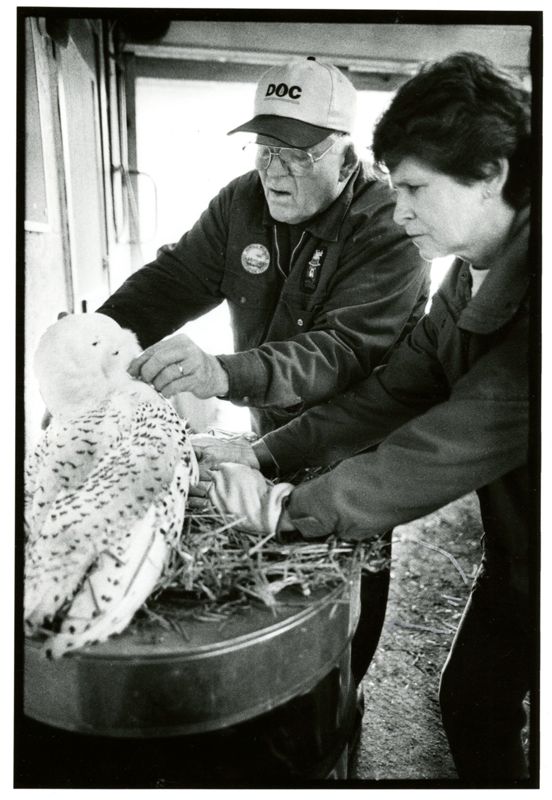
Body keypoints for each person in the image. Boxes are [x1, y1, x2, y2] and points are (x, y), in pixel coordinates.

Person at [195, 51, 535, 787]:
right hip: (520, 555)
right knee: (475, 703)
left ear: (492, 175)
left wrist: (287, 509)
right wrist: (267, 456)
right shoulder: (467, 275)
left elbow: (446, 443)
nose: (398, 206)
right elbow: (393, 392)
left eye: (414, 187)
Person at [96, 57, 430, 775]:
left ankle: (337, 710)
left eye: (300, 153)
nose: (277, 171)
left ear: (348, 153)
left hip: (359, 451)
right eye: (265, 148)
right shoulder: (242, 203)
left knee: (342, 586)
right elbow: (176, 277)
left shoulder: (391, 228)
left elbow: (339, 353)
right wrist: (98, 336)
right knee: (265, 582)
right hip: (266, 435)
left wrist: (225, 372)